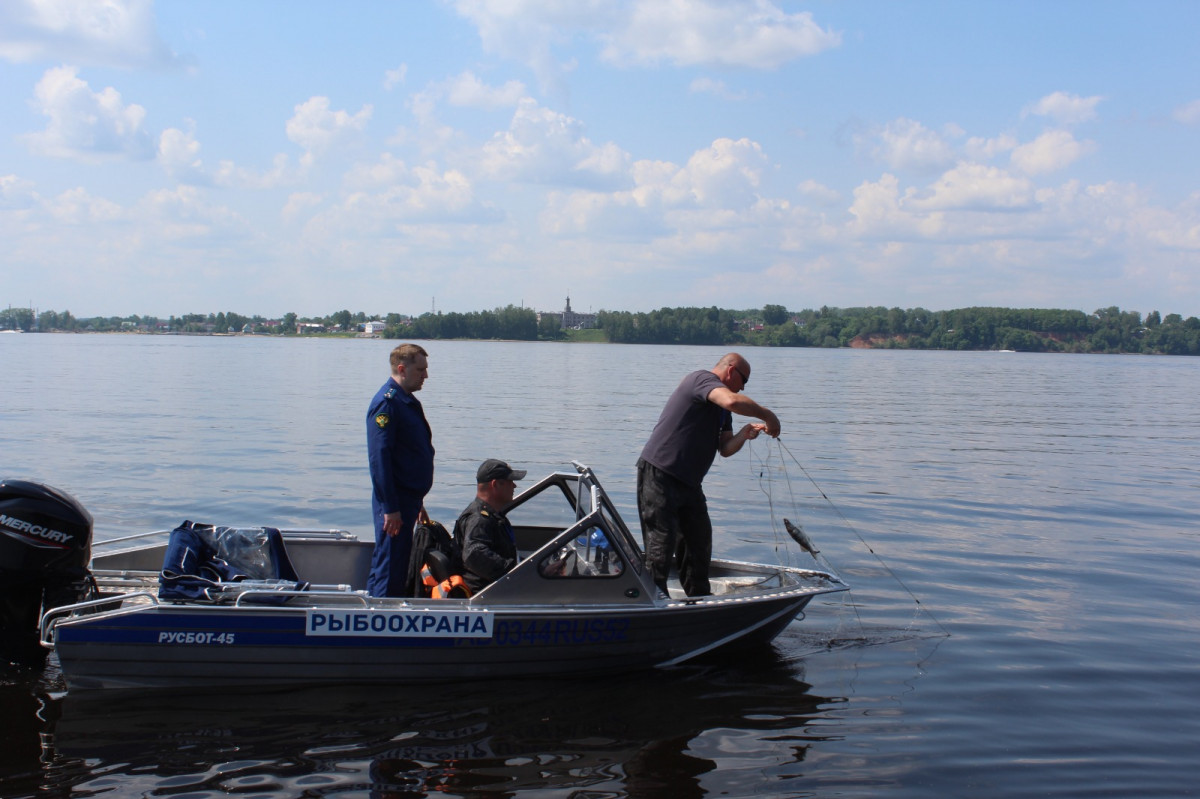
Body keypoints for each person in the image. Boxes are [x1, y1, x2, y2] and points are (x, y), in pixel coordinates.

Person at [637, 352, 780, 597]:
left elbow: (725, 448)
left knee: (698, 545)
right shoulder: (701, 380)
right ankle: (652, 601)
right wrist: (767, 415)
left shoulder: (722, 410)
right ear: (731, 371)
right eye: (743, 380)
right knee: (661, 546)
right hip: (660, 475)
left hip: (689, 484)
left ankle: (699, 599)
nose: (743, 387)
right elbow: (732, 401)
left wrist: (744, 435)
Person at [366, 344, 434, 597]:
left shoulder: (407, 402)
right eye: (421, 369)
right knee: (391, 566)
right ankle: (380, 622)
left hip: (407, 500)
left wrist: (418, 501)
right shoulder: (387, 405)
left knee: (396, 561)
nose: (425, 375)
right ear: (402, 369)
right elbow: (379, 459)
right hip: (395, 503)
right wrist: (391, 507)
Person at [453, 459, 526, 594]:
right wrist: (517, 571)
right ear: (495, 484)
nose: (514, 486)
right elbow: (473, 554)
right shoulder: (479, 518)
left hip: (496, 589)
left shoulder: (492, 515)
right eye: (510, 481)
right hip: (487, 595)